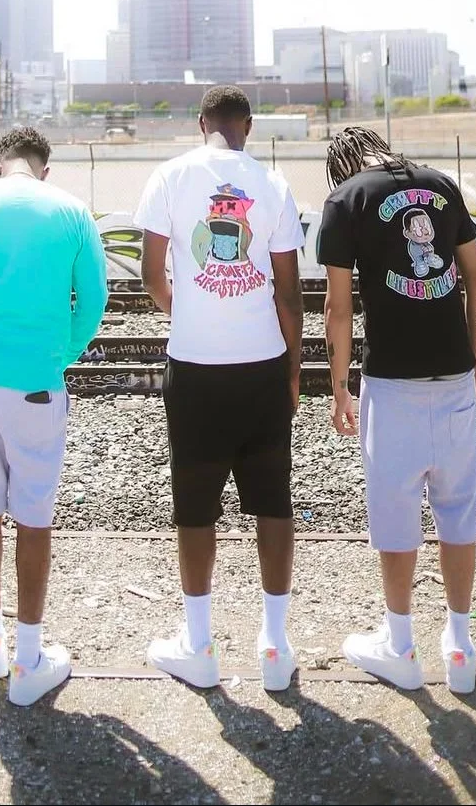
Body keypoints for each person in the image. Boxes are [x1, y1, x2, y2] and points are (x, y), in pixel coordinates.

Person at [134, 85, 305, 691]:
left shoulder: (169, 176)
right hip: (262, 363)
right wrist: (293, 370)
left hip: (195, 365)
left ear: (200, 122)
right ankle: (275, 645)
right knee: (273, 500)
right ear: (248, 126)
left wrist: (185, 311)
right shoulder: (274, 184)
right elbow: (289, 292)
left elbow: (151, 273)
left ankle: (200, 644)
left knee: (195, 504)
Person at [0, 126, 108, 706]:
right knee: (34, 515)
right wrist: (60, 355)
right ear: (44, 168)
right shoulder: (72, 212)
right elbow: (94, 300)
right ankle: (29, 659)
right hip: (37, 382)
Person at [317, 126, 476, 694]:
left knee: (395, 514)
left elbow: (338, 307)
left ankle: (400, 645)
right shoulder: (441, 185)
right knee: (458, 510)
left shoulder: (346, 199)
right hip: (456, 380)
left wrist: (339, 386)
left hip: (392, 385)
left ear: (342, 165)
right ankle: (460, 646)